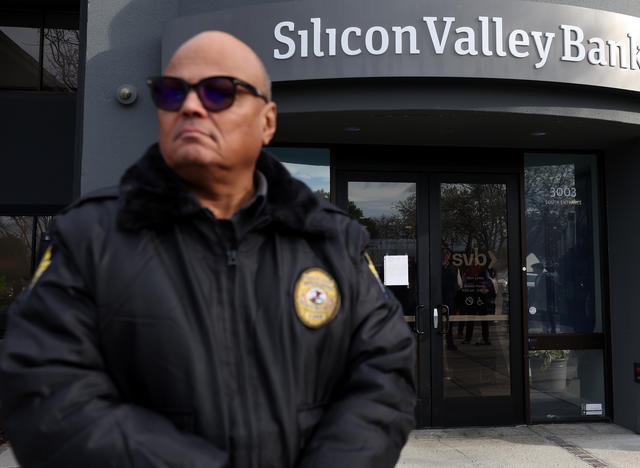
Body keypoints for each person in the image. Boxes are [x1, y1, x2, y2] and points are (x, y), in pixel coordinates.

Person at [0, 31, 416, 468]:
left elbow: (383, 374)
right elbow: (45, 391)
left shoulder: (334, 241)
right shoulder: (90, 237)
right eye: (171, 92)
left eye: (219, 92)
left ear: (267, 121)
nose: (191, 107)